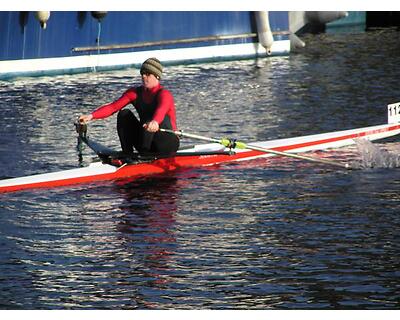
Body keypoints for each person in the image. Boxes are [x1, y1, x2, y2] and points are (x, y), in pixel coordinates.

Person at [79, 57, 179, 155]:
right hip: (147, 140)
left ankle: (144, 156)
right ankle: (128, 154)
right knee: (123, 114)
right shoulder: (134, 93)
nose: (144, 76)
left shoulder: (164, 94)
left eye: (147, 74)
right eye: (142, 74)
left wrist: (155, 122)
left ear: (157, 76)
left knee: (150, 119)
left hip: (167, 143)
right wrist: (91, 116)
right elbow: (113, 107)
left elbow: (161, 110)